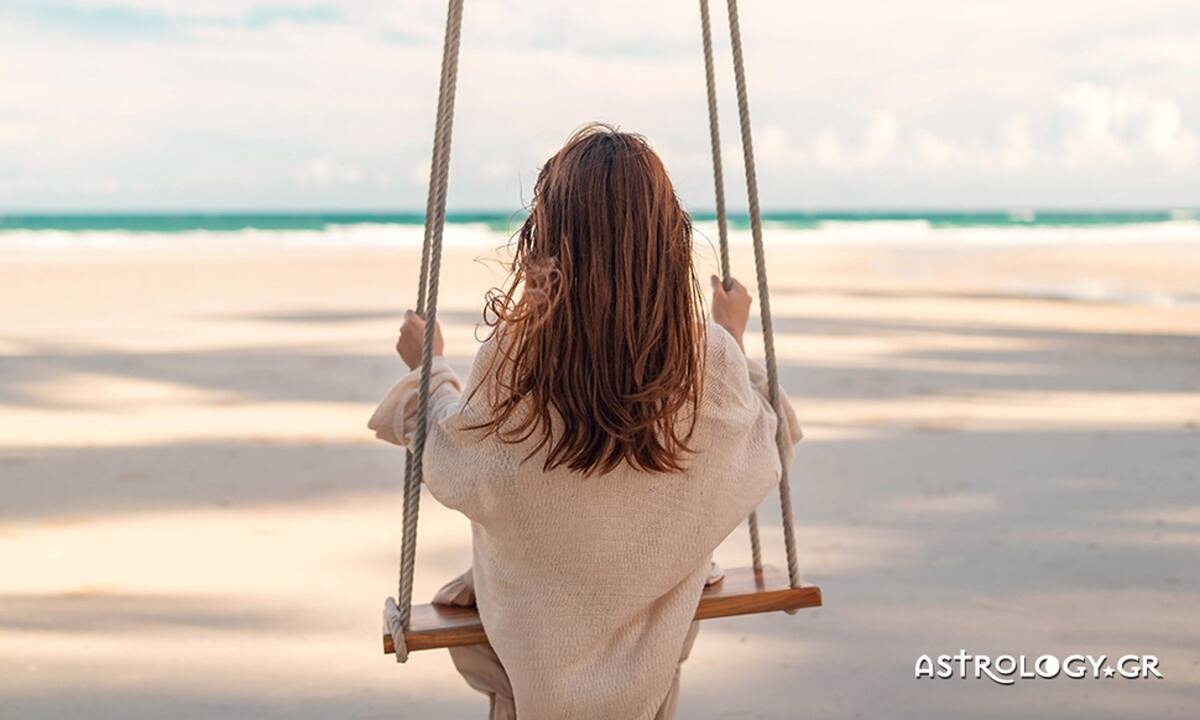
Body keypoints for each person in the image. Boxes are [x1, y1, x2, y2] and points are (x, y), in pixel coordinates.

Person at [369, 124, 801, 720]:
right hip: (654, 660)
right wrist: (731, 336)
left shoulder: (518, 358)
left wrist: (432, 370)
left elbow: (457, 462)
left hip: (529, 668)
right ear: (667, 244)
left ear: (547, 241)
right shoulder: (706, 358)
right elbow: (766, 444)